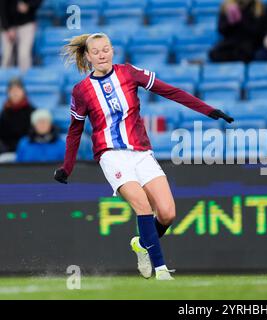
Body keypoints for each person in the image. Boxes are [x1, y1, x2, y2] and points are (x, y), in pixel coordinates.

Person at [53, 33, 234, 280]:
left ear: (112, 50)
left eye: (106, 49)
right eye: (96, 51)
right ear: (88, 56)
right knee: (143, 205)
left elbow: (169, 91)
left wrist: (208, 110)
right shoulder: (82, 91)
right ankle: (161, 270)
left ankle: (141, 244)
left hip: (141, 152)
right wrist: (67, 167)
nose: (102, 54)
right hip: (111, 155)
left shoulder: (129, 73)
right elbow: (75, 131)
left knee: (168, 213)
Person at [0, 0, 42, 71]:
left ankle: (25, 79)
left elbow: (37, 2)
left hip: (26, 23)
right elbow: (2, 8)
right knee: (7, 56)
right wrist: (7, 27)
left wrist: (28, 4)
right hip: (8, 24)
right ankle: (4, 80)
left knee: (24, 55)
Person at [0, 77, 35, 154]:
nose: (15, 93)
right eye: (12, 91)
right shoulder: (4, 112)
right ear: (8, 93)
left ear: (23, 92)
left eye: (18, 90)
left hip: (28, 151)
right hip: (6, 152)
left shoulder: (33, 111)